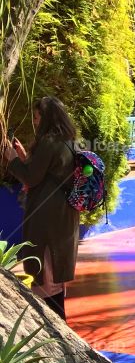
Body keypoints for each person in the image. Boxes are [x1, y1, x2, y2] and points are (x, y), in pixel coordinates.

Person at [1, 97, 81, 322]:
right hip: (62, 218)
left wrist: (12, 159)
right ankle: (60, 330)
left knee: (46, 281)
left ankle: (55, 332)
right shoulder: (67, 140)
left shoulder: (49, 141)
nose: (35, 122)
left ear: (48, 118)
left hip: (48, 220)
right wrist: (23, 157)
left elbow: (31, 177)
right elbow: (45, 173)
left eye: (37, 117)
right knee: (55, 279)